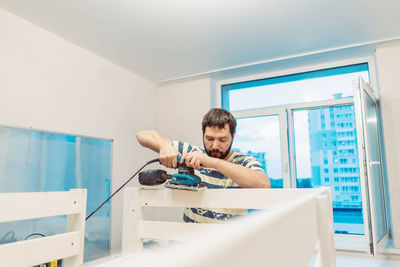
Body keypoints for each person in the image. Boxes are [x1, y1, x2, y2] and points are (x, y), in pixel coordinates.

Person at [136, 108, 271, 223]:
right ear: (203, 134)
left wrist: (210, 161)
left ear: (233, 136)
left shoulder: (245, 162)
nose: (215, 146)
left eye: (222, 139)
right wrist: (164, 145)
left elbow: (263, 184)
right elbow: (142, 135)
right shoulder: (190, 153)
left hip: (230, 245)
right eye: (209, 139)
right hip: (191, 241)